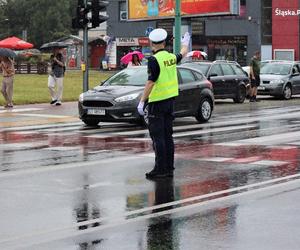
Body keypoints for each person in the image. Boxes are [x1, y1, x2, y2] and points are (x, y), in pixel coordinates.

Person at [137, 28, 190, 179]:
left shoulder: (154, 60)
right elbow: (183, 53)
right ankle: (169, 166)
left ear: (151, 43)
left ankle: (160, 169)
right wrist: (186, 42)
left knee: (157, 137)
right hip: (170, 101)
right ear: (165, 43)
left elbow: (150, 82)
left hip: (157, 102)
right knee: (168, 136)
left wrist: (142, 102)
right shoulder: (171, 57)